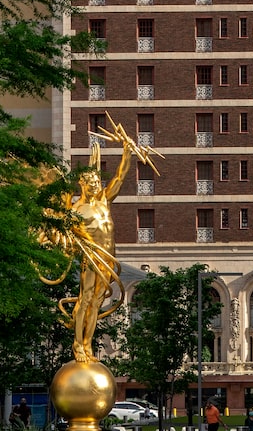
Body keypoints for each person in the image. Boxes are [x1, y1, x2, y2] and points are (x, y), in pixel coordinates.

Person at [37, 118, 162, 364]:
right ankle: (77, 344)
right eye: (91, 182)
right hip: (90, 259)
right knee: (84, 301)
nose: (96, 185)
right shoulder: (75, 210)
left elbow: (120, 177)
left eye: (97, 182)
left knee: (95, 302)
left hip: (107, 258)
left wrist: (127, 153)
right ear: (82, 184)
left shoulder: (104, 200)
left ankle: (87, 344)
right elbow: (61, 232)